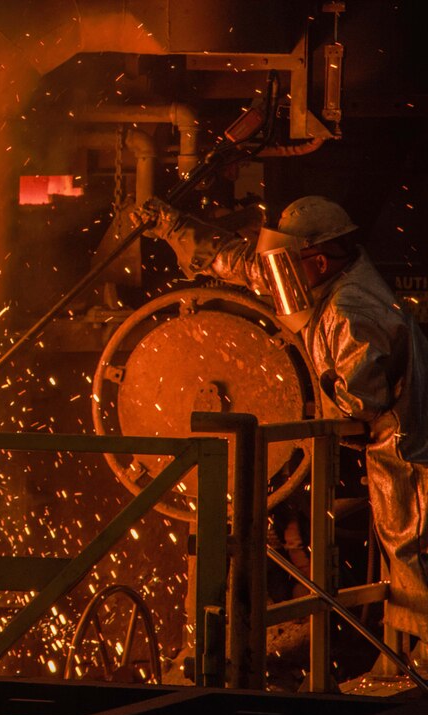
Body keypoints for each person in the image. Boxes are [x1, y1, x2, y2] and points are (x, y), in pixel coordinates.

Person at [135, 194, 428, 652]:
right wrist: (175, 226)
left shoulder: (353, 310)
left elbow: (359, 403)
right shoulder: (319, 278)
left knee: (413, 553)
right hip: (392, 451)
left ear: (319, 258)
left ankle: (424, 667)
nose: (277, 277)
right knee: (404, 557)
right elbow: (243, 263)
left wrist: (303, 398)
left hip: (408, 455)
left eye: (289, 263)